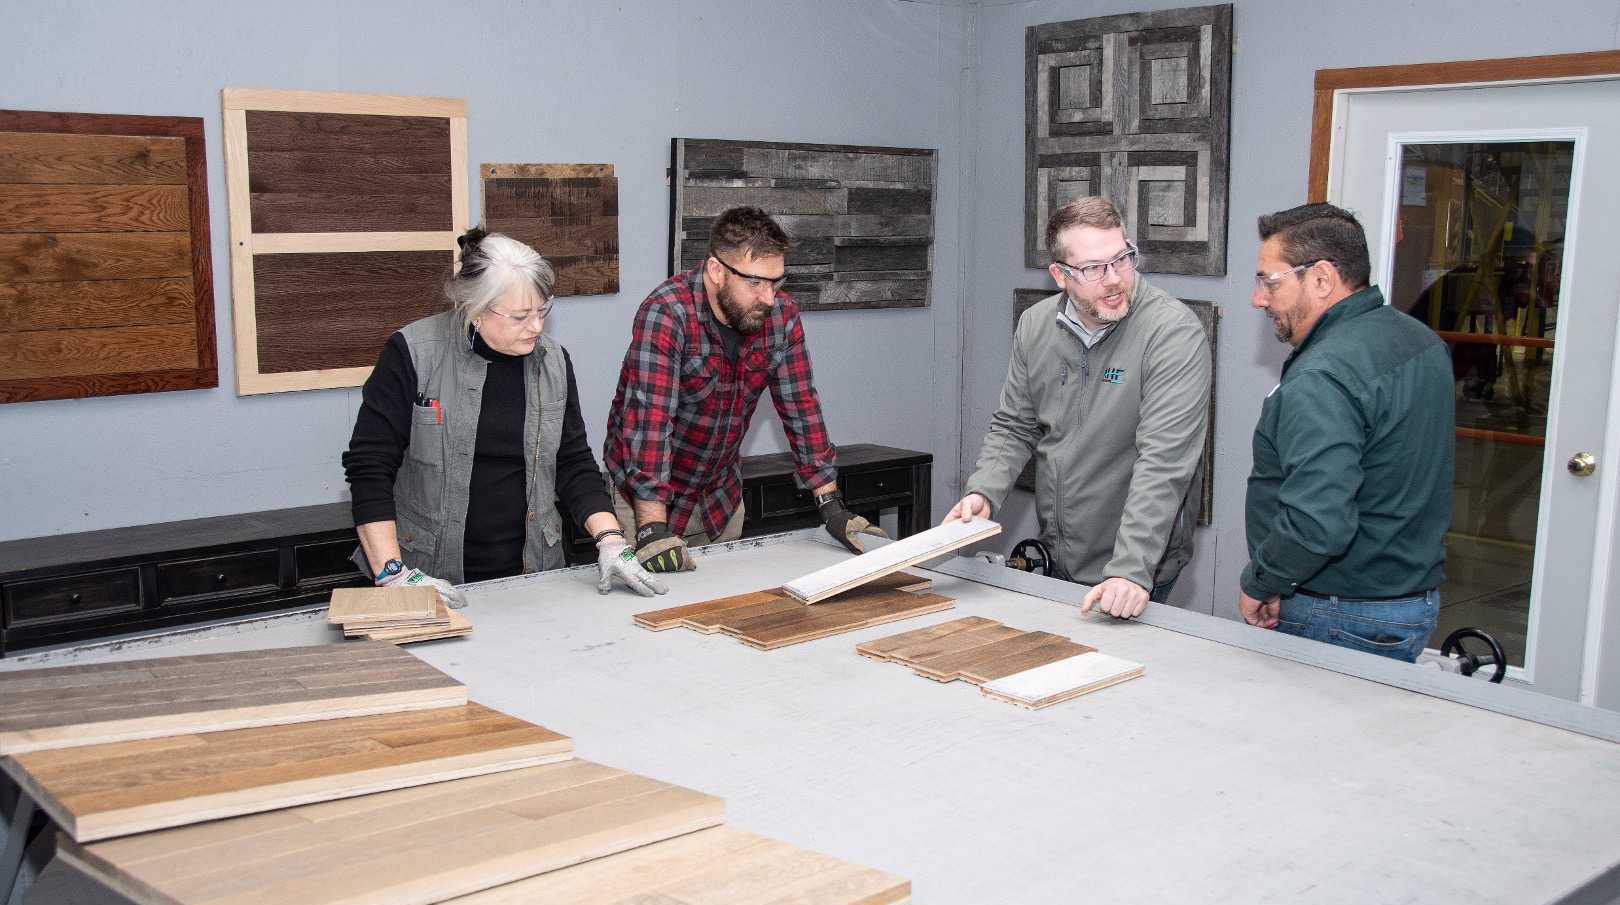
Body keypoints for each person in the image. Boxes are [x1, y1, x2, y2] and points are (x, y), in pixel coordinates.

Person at [342, 229, 665, 607]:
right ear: (476, 311)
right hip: (427, 572)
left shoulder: (553, 362)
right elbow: (369, 467)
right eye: (520, 316)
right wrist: (391, 572)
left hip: (531, 574)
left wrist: (611, 540)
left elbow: (572, 462)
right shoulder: (413, 354)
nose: (537, 327)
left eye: (543, 310)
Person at [946, 196, 1211, 619]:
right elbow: (1015, 424)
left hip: (1135, 565)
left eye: (1122, 259)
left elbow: (1164, 461)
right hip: (1059, 550)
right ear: (1060, 275)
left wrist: (1130, 569)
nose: (1113, 279)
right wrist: (985, 490)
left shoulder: (1172, 333)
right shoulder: (1036, 325)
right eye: (1092, 268)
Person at [603, 206, 882, 573]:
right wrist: (653, 528)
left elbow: (801, 409)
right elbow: (649, 424)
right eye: (756, 283)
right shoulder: (668, 313)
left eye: (775, 282)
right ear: (716, 270)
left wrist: (831, 505)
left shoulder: (781, 317)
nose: (768, 297)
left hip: (720, 500)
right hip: (645, 501)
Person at [1240, 203, 1454, 661]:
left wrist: (1263, 581)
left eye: (1268, 280)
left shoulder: (1323, 375)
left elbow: (1317, 523)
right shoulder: (1421, 340)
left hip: (1340, 613)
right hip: (1411, 602)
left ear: (1320, 278)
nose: (1258, 298)